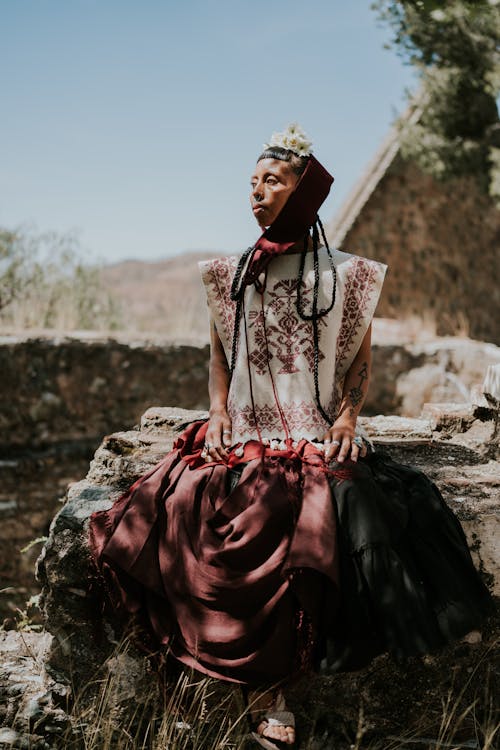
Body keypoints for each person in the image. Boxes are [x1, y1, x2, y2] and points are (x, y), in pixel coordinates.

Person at [89, 124, 493, 749]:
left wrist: (347, 420)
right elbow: (220, 353)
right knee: (184, 511)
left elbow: (359, 360)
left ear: (305, 190)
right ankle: (235, 683)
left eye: (272, 180)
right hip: (246, 430)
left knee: (317, 523)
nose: (257, 192)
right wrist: (217, 412)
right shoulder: (229, 272)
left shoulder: (350, 276)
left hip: (310, 431)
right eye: (251, 182)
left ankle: (275, 689)